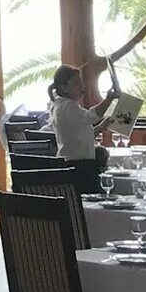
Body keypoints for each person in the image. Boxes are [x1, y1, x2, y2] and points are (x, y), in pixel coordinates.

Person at [45, 63, 116, 194]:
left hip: (75, 164)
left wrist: (101, 127)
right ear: (64, 87)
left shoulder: (64, 106)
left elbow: (79, 137)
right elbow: (91, 116)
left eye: (81, 82)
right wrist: (108, 99)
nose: (82, 87)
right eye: (77, 83)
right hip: (78, 167)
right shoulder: (67, 107)